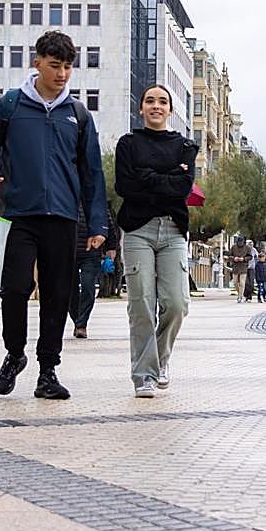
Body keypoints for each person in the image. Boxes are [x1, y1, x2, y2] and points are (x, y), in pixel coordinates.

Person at [0, 31, 107, 400]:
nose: (62, 74)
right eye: (54, 65)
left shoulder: (77, 114)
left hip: (62, 217)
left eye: (67, 67)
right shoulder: (10, 106)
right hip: (17, 215)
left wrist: (97, 224)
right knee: (15, 287)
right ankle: (15, 355)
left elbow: (92, 172)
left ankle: (48, 371)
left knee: (58, 294)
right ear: (37, 63)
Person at [115, 84, 199, 398]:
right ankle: (144, 375)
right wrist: (165, 177)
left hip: (173, 231)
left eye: (162, 102)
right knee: (141, 305)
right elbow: (125, 185)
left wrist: (146, 176)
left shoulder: (185, 146)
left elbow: (182, 188)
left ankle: (161, 358)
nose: (156, 106)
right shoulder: (128, 144)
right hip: (138, 230)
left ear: (170, 110)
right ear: (141, 108)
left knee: (177, 303)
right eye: (150, 101)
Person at [69, 202, 117, 338]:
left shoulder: (95, 198)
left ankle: (81, 325)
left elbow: (107, 222)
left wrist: (111, 247)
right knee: (70, 291)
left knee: (88, 287)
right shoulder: (65, 194)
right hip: (68, 252)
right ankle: (77, 320)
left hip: (91, 252)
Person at [229, 236, 250, 302]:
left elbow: (250, 256)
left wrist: (244, 259)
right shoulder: (233, 247)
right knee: (235, 282)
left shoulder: (247, 248)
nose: (240, 243)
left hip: (243, 266)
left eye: (241, 242)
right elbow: (230, 255)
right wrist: (234, 258)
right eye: (239, 242)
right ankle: (240, 294)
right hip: (235, 266)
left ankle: (240, 297)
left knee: (242, 283)